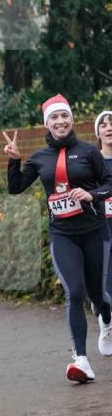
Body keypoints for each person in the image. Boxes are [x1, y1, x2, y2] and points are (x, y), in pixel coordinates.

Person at [5, 94, 112, 382]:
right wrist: (14, 161)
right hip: (63, 235)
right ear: (47, 124)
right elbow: (15, 188)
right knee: (74, 292)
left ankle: (106, 315)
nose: (60, 121)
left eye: (64, 116)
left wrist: (92, 194)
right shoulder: (39, 158)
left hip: (92, 232)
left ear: (71, 120)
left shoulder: (89, 152)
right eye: (54, 117)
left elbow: (109, 183)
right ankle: (81, 359)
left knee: (96, 294)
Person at [94, 110, 112, 308]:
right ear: (98, 133)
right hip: (100, 228)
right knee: (105, 282)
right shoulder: (91, 161)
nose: (109, 128)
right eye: (104, 124)